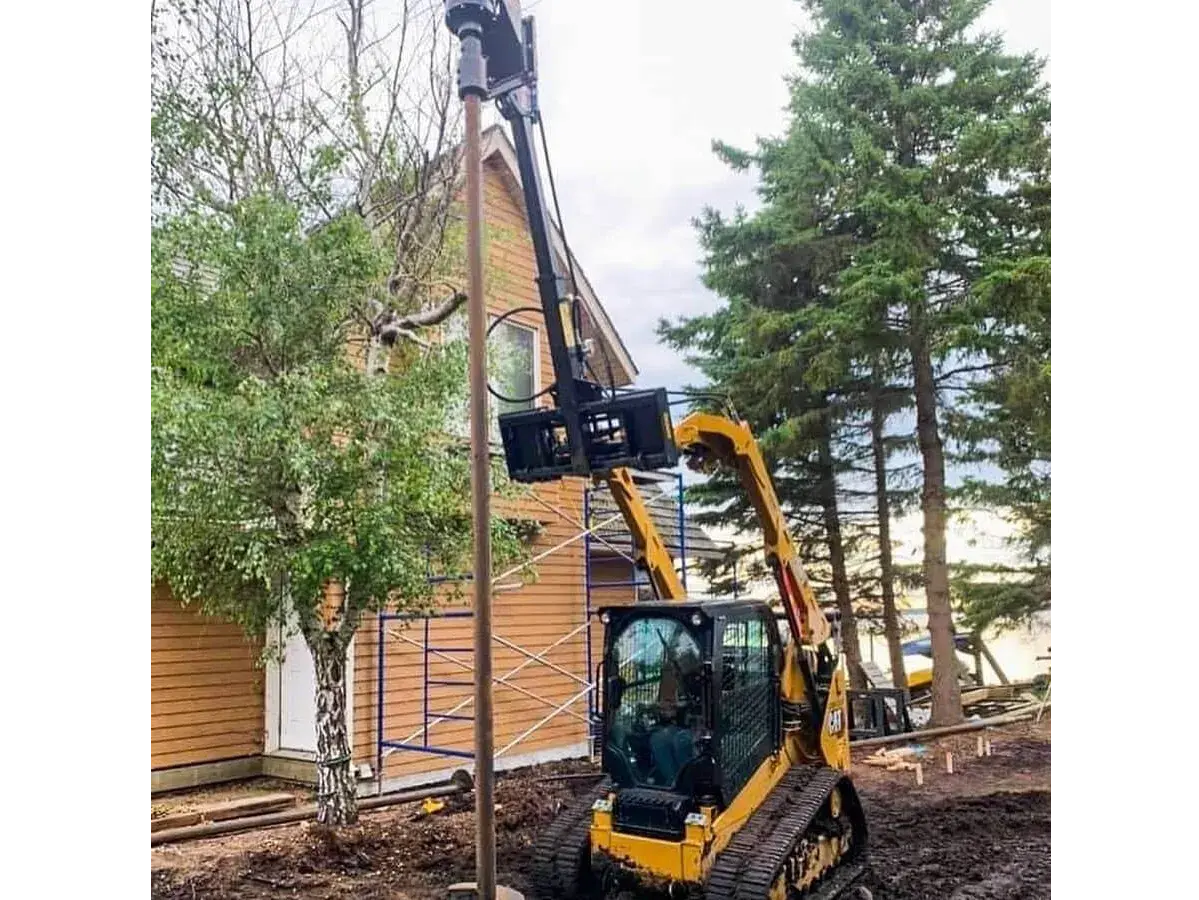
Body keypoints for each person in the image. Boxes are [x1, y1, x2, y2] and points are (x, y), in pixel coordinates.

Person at [649, 632, 702, 786]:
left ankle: (689, 782)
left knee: (681, 741)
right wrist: (666, 710)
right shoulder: (679, 681)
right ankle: (672, 780)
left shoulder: (702, 680)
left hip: (702, 728)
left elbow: (704, 707)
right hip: (682, 726)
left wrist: (681, 707)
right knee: (658, 739)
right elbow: (675, 711)